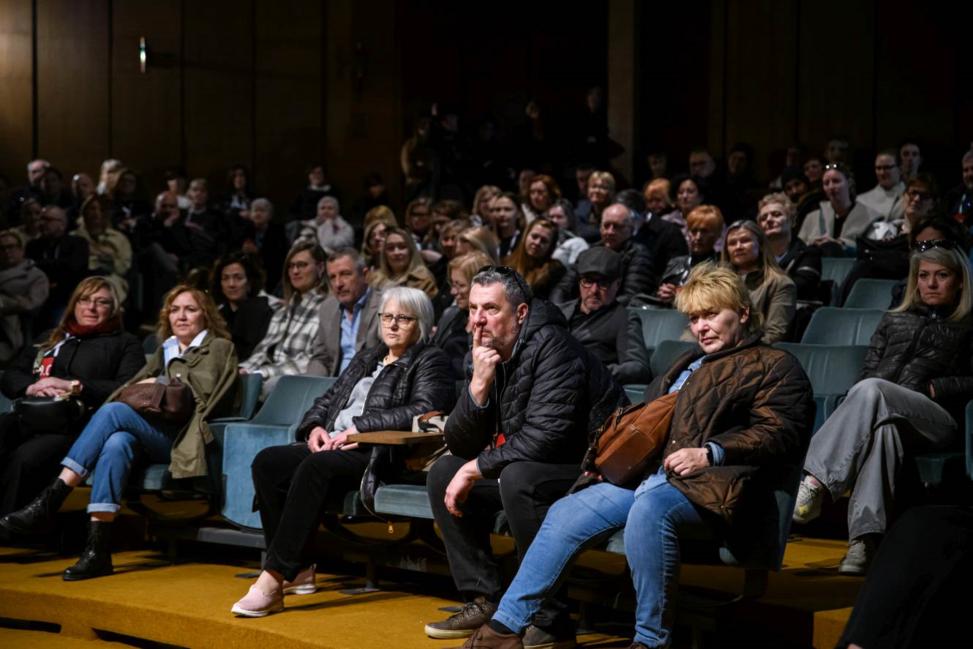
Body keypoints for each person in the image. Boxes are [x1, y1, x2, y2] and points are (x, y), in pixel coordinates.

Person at [458, 263, 813, 649]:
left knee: (649, 508)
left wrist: (712, 453)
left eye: (711, 315)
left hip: (717, 486)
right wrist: (606, 467)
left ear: (742, 313)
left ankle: (649, 641)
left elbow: (781, 432)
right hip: (655, 478)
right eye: (694, 318)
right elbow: (647, 430)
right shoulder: (686, 363)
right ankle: (506, 627)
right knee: (567, 511)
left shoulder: (775, 366)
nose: (701, 327)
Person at [424, 267, 624, 643]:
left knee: (518, 479)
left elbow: (548, 436)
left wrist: (477, 468)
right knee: (443, 472)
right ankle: (486, 599)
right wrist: (478, 387)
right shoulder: (484, 351)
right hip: (534, 462)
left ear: (520, 313)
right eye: (473, 308)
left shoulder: (554, 346)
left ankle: (549, 618)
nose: (478, 320)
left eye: (490, 309)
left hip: (591, 467)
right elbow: (460, 443)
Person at [231, 287, 454, 616]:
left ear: (420, 323)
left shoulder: (431, 359)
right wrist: (314, 428)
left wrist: (360, 429)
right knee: (268, 462)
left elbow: (424, 409)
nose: (392, 324)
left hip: (380, 453)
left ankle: (274, 577)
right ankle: (300, 569)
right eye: (387, 317)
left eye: (403, 318)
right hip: (336, 444)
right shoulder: (369, 356)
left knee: (314, 467)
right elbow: (328, 399)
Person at [0, 285, 238, 579]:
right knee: (116, 442)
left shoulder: (219, 347)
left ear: (206, 315)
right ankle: (98, 551)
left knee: (114, 411)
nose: (181, 316)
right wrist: (152, 384)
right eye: (175, 310)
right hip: (154, 431)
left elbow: (197, 396)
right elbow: (129, 389)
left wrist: (158, 382)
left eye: (190, 309)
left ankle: (53, 497)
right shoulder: (166, 348)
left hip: (184, 437)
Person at [794, 241, 973, 574]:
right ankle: (864, 542)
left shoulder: (968, 325)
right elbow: (869, 370)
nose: (931, 284)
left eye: (942, 275)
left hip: (937, 418)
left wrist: (939, 387)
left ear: (960, 281)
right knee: (883, 433)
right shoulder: (894, 320)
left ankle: (815, 481)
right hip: (886, 411)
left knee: (871, 389)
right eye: (923, 276)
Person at [0, 277, 143, 516]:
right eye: (84, 300)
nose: (91, 308)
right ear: (74, 304)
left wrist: (73, 386)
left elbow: (127, 388)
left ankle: (9, 525)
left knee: (25, 459)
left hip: (77, 428)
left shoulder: (126, 343)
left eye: (102, 302)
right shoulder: (50, 338)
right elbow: (11, 375)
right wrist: (32, 387)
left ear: (114, 309)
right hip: (30, 417)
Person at [239, 242, 329, 399]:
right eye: (291, 266)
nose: (295, 271)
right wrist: (244, 370)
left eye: (302, 265)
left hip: (295, 383)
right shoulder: (282, 312)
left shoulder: (327, 309)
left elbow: (312, 361)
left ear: (320, 267)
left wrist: (260, 373)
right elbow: (263, 352)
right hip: (265, 375)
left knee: (270, 386)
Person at [557, 247, 650, 385]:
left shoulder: (624, 319)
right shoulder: (560, 312)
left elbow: (638, 368)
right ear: (579, 282)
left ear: (617, 285)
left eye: (603, 283)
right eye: (588, 281)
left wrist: (593, 371)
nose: (594, 290)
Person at [308, 249, 383, 377]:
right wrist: (312, 384)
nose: (338, 284)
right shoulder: (328, 308)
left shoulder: (385, 307)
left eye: (345, 274)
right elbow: (321, 357)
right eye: (332, 277)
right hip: (333, 384)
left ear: (365, 275)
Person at [721, 220, 797, 343]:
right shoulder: (717, 282)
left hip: (753, 350)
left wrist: (738, 349)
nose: (738, 247)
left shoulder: (780, 283)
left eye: (745, 240)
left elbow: (775, 334)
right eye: (732, 243)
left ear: (760, 245)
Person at [26, 206, 90, 328]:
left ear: (62, 224)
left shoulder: (78, 243)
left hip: (65, 297)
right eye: (41, 219)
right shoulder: (33, 245)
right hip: (37, 297)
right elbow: (29, 268)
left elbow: (74, 267)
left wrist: (41, 265)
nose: (41, 223)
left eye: (47, 220)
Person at [431, 251, 492, 380]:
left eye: (461, 286)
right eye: (453, 284)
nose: (453, 292)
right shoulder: (450, 314)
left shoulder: (492, 323)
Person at [797, 163, 881, 256]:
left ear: (849, 183)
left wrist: (842, 245)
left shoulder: (869, 216)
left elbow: (874, 251)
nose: (831, 187)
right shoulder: (812, 218)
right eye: (826, 183)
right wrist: (812, 245)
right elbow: (798, 250)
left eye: (836, 181)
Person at [756, 192, 822, 302]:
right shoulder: (756, 256)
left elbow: (801, 287)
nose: (769, 220)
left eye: (776, 214)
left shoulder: (808, 254)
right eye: (763, 218)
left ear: (792, 220)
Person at [654, 205, 724, 306]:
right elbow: (658, 294)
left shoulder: (721, 268)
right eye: (694, 231)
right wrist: (663, 293)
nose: (698, 237)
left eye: (704, 231)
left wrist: (679, 297)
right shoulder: (675, 263)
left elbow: (718, 301)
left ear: (717, 235)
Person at [211, 252, 277, 360]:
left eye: (238, 278)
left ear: (249, 282)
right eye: (225, 278)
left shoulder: (263, 311)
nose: (231, 284)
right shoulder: (216, 315)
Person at [0, 229, 49, 364]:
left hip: (17, 323)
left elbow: (31, 304)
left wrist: (5, 303)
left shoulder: (35, 275)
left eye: (11, 247)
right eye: (2, 248)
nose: (6, 251)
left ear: (21, 249)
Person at [74, 195, 133, 302]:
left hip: (111, 280)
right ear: (84, 212)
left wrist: (109, 259)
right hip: (82, 280)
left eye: (101, 209)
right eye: (92, 209)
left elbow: (123, 268)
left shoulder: (119, 239)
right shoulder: (73, 237)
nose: (97, 213)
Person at [502, 218, 565, 301]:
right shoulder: (507, 263)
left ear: (550, 246)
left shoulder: (555, 271)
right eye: (534, 236)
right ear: (525, 236)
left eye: (544, 241)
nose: (537, 243)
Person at [368, 227, 438, 299]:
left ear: (411, 251)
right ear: (384, 254)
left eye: (402, 247)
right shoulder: (375, 279)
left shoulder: (423, 280)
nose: (396, 252)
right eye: (390, 248)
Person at [857, 150, 905, 221]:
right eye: (878, 168)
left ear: (900, 169)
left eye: (887, 168)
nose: (882, 173)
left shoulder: (911, 199)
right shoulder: (862, 200)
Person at [546, 199, 589, 267]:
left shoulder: (578, 243)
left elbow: (576, 269)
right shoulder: (544, 241)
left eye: (559, 217)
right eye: (551, 217)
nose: (554, 221)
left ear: (569, 219)